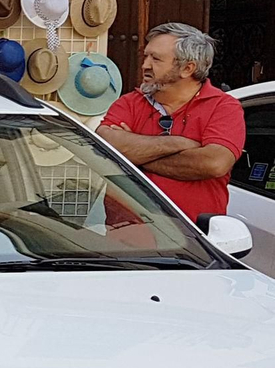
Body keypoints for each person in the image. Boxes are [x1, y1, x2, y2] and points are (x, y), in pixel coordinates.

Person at [96, 23, 246, 220]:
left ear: (187, 68)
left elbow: (214, 163)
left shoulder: (223, 107)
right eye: (146, 56)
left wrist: (133, 154)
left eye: (156, 59)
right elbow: (104, 146)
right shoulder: (130, 102)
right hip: (126, 236)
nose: (145, 65)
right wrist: (179, 143)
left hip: (193, 241)